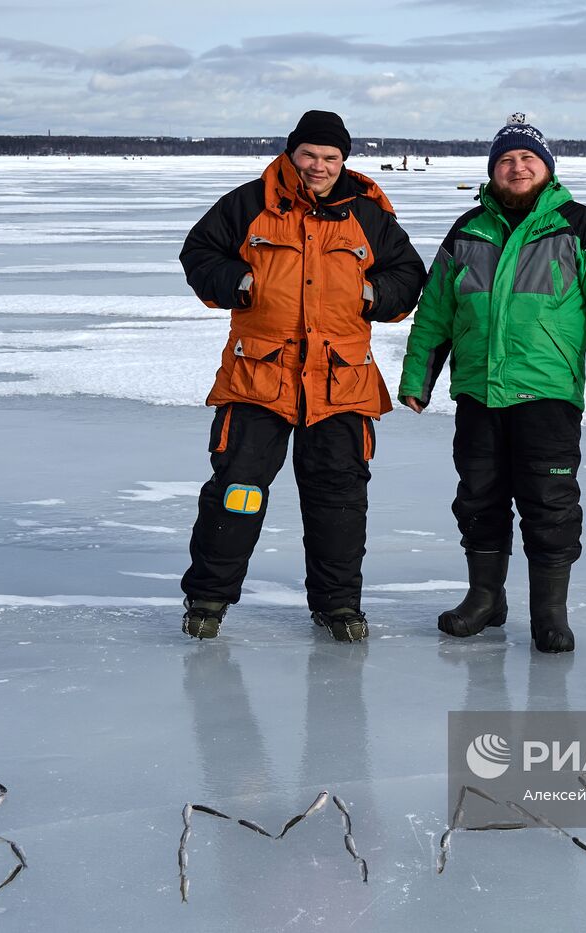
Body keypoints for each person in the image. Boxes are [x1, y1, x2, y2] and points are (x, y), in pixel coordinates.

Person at [178, 110, 427, 643]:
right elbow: (198, 253)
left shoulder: (367, 213)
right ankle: (207, 600)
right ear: (292, 154)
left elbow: (408, 275)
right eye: (310, 155)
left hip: (341, 382)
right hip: (258, 379)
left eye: (331, 158)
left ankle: (338, 607)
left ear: (344, 160)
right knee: (237, 491)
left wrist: (370, 295)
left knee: (338, 501)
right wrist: (239, 281)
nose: (319, 166)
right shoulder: (249, 203)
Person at [397, 114, 586, 653]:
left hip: (547, 393)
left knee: (549, 502)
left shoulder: (581, 226)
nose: (517, 167)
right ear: (493, 171)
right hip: (479, 392)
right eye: (507, 160)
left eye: (528, 159)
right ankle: (485, 599)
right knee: (479, 497)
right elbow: (435, 310)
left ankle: (550, 614)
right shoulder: (468, 230)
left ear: (547, 169)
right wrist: (419, 377)